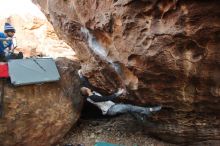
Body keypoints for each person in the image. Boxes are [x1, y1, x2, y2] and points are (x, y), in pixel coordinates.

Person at [78, 70, 162, 116]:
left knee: (129, 109)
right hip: (110, 110)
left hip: (112, 106)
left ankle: (142, 115)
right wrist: (118, 93)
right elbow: (105, 98)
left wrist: (80, 75)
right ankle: (149, 110)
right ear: (86, 92)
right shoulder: (92, 98)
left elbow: (85, 83)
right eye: (86, 89)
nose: (87, 87)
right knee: (129, 107)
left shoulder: (90, 93)